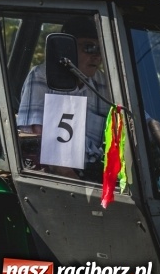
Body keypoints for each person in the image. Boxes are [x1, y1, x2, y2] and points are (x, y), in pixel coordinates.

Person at [17, 16, 108, 178]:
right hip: (58, 174)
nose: (97, 56)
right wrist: (74, 182)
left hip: (97, 170)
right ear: (67, 48)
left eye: (100, 50)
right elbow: (38, 135)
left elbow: (135, 116)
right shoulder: (41, 77)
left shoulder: (103, 83)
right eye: (89, 48)